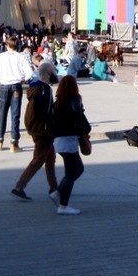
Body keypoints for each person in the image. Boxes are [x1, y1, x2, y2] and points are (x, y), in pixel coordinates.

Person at [11, 61, 60, 202]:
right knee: (38, 160)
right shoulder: (43, 90)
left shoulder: (39, 88)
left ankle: (54, 187)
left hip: (39, 129)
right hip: (43, 130)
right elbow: (44, 112)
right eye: (53, 72)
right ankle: (19, 187)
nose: (55, 74)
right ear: (48, 74)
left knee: (50, 158)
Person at [52, 75, 90, 215]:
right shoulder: (74, 99)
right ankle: (61, 202)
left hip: (58, 138)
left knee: (71, 170)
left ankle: (60, 197)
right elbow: (78, 117)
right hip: (69, 138)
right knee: (76, 169)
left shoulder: (58, 101)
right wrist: (84, 130)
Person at [0, 36, 34, 152]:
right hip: (16, 86)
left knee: (2, 113)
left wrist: (0, 79)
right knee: (15, 115)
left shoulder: (2, 56)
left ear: (7, 45)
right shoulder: (21, 57)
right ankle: (14, 143)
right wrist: (23, 79)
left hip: (4, 86)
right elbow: (29, 73)